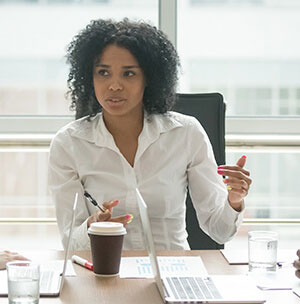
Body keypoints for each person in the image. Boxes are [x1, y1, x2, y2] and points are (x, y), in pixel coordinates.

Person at [48, 18, 252, 251]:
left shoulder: (185, 133)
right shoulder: (68, 143)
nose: (114, 85)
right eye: (103, 72)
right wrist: (91, 227)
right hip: (106, 272)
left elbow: (220, 231)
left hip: (173, 271)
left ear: (149, 78)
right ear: (89, 77)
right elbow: (70, 243)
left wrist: (233, 200)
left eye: (129, 74)